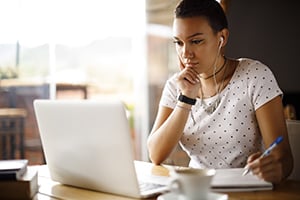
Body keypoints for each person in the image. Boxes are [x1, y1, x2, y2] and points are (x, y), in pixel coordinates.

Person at [147, 0, 293, 184]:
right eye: (179, 42)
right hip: (196, 190)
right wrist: (185, 100)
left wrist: (276, 168)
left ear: (222, 38)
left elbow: (285, 158)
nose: (186, 53)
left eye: (196, 41)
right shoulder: (176, 86)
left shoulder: (254, 76)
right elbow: (155, 154)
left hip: (245, 189)